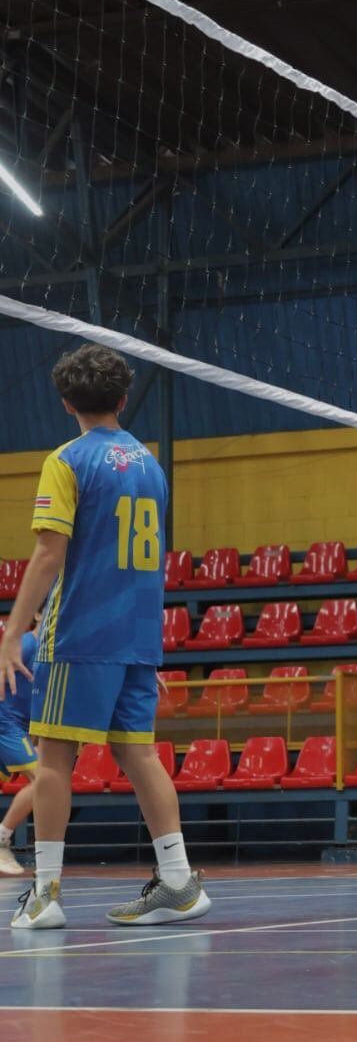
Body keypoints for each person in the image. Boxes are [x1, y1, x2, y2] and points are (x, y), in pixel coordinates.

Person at [0, 343, 210, 930]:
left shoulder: (66, 460)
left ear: (66, 403)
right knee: (137, 753)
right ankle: (177, 881)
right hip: (140, 633)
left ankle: (44, 894)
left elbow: (48, 552)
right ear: (122, 398)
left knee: (54, 759)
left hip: (81, 634)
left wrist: (12, 632)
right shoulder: (149, 462)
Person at [0, 610, 43, 876]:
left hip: (19, 725)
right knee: (43, 781)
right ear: (38, 613)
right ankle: (2, 839)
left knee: (44, 781)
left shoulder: (54, 651)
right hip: (5, 722)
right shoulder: (27, 643)